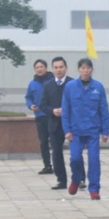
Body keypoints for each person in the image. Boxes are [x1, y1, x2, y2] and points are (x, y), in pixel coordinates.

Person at [61, 58, 109, 200]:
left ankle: (94, 188)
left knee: (94, 160)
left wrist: (105, 131)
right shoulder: (70, 87)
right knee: (75, 158)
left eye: (88, 68)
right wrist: (67, 130)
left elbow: (103, 110)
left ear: (92, 70)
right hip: (76, 130)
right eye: (82, 68)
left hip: (93, 130)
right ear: (78, 70)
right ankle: (76, 179)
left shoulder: (98, 87)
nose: (85, 71)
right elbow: (66, 110)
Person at [38, 57, 85, 190]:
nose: (59, 70)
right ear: (52, 69)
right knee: (56, 153)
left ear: (66, 68)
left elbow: (80, 103)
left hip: (72, 124)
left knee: (76, 153)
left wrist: (66, 110)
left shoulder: (74, 84)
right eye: (56, 67)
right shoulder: (48, 85)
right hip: (55, 123)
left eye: (61, 67)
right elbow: (43, 105)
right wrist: (52, 111)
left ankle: (80, 179)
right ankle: (61, 180)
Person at [25, 59, 54, 175]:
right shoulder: (32, 83)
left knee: (55, 141)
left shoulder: (53, 81)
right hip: (40, 116)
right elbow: (28, 97)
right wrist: (30, 105)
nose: (39, 69)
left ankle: (58, 164)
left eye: (41, 67)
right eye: (37, 67)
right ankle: (47, 165)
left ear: (46, 68)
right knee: (43, 142)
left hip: (52, 115)